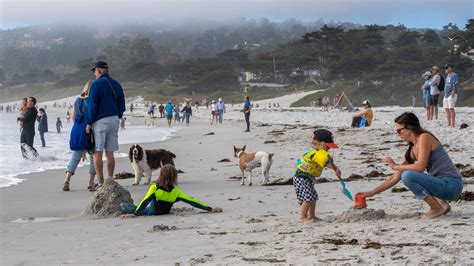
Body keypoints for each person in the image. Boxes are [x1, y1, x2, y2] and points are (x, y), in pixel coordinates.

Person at [357, 112, 463, 219]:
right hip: (440, 186)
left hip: (451, 185)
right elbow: (395, 177)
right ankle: (442, 205)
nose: (398, 134)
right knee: (406, 174)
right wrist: (371, 192)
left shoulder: (424, 137)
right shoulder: (412, 150)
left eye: (399, 130)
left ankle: (436, 208)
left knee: (408, 176)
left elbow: (420, 167)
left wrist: (396, 166)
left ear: (409, 128)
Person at [120, 165, 222, 217]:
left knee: (124, 205)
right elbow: (192, 201)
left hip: (149, 213)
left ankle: (128, 208)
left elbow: (145, 201)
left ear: (161, 175)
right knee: (138, 207)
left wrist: (134, 214)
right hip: (162, 212)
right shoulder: (176, 192)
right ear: (174, 177)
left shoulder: (155, 188)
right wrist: (210, 209)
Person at [86, 61, 126, 185]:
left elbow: (92, 105)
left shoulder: (96, 85)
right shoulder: (117, 84)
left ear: (98, 71)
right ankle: (110, 180)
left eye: (94, 71)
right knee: (110, 153)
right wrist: (118, 115)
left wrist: (89, 122)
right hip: (114, 120)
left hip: (100, 121)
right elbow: (122, 103)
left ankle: (101, 182)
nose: (94, 74)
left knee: (98, 152)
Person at [294, 129, 341, 222]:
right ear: (321, 144)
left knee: (313, 197)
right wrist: (336, 169)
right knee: (307, 198)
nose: (329, 148)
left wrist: (336, 168)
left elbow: (327, 162)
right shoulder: (317, 153)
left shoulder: (317, 151)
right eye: (328, 146)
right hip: (302, 178)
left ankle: (311, 216)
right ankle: (303, 217)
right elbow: (326, 163)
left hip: (307, 178)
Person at [64, 81, 97, 192]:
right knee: (93, 156)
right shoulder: (92, 101)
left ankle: (67, 180)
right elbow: (94, 118)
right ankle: (90, 183)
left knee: (75, 157)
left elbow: (73, 118)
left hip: (76, 130)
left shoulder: (78, 100)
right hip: (89, 131)